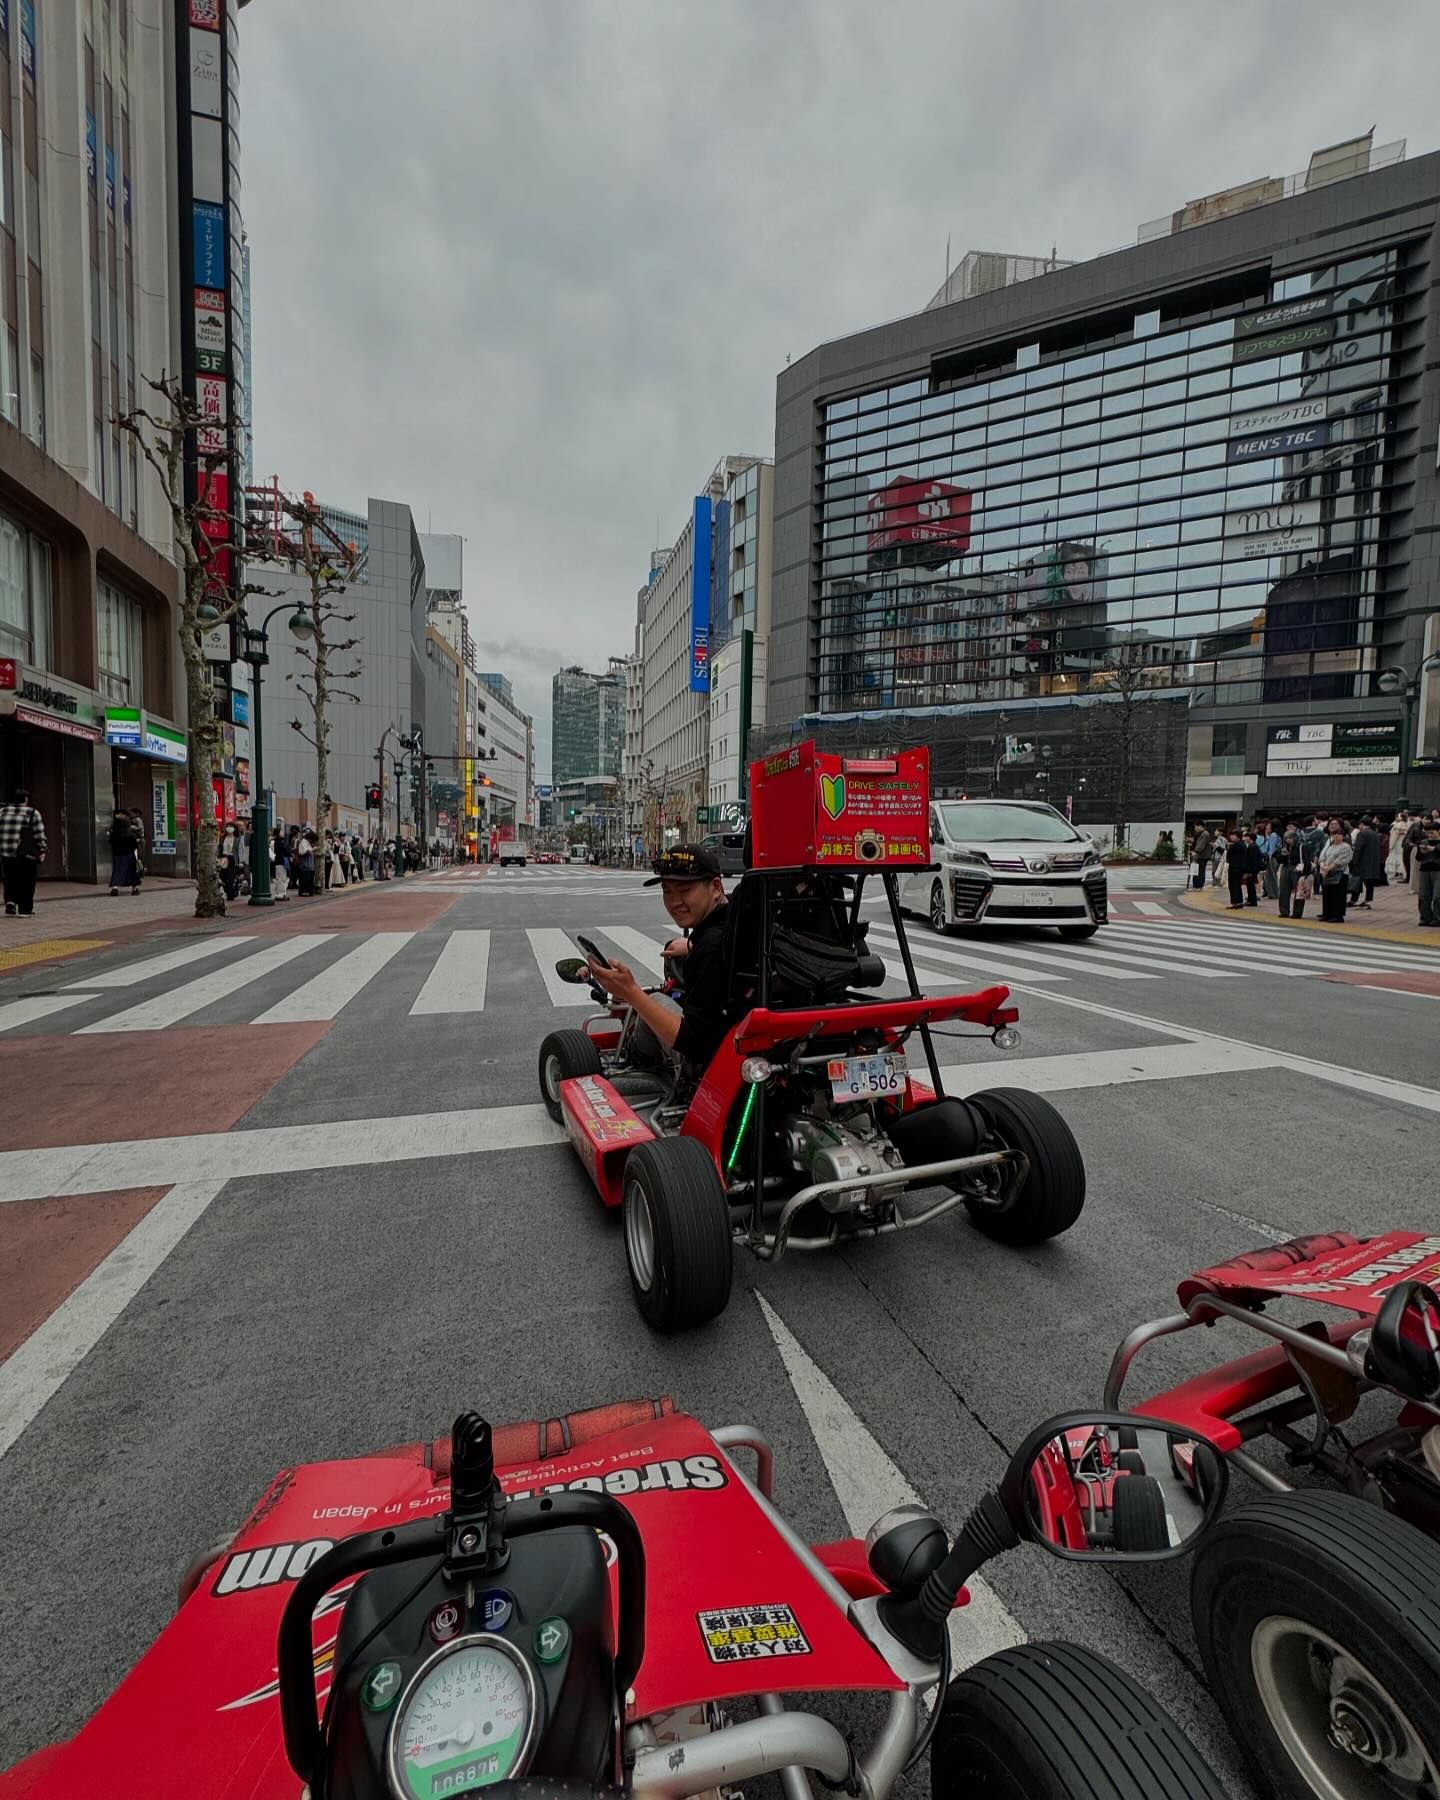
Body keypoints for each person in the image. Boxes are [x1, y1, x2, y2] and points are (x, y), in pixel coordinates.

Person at [584, 845, 732, 1086]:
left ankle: (635, 1055)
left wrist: (631, 994)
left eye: (685, 890)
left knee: (655, 999)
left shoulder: (710, 948)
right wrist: (690, 945)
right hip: (752, 1047)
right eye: (667, 891)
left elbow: (692, 1041)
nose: (674, 902)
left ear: (715, 887)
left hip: (710, 1068)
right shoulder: (737, 918)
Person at [0, 786, 47, 915]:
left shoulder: (2, 812)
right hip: (25, 853)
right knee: (27, 880)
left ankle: (10, 901)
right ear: (25, 799)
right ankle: (24, 909)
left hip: (6, 853)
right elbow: (39, 834)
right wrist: (42, 850)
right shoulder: (32, 813)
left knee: (10, 878)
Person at [1275, 823, 1312, 920]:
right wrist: (1283, 855)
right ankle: (1284, 911)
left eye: (1290, 838)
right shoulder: (1285, 847)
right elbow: (1279, 860)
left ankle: (1297, 912)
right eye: (1286, 838)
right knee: (1283, 890)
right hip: (1286, 867)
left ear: (1295, 838)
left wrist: (1305, 873)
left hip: (1297, 869)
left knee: (1299, 892)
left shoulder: (1301, 847)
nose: (1288, 840)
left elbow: (1306, 860)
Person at [1317, 825, 1354, 923]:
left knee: (1338, 895)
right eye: (1334, 834)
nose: (1336, 836)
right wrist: (1323, 866)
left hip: (1340, 873)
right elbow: (1322, 857)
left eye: (1339, 834)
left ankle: (1337, 915)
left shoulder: (1346, 847)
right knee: (1327, 895)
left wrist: (1328, 868)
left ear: (1343, 836)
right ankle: (1327, 914)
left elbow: (1341, 860)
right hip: (1327, 873)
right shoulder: (1331, 846)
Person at [1349, 815, 1383, 909]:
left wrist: (1354, 861)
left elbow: (1358, 849)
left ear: (1362, 824)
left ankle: (1353, 899)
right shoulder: (1375, 834)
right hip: (1373, 861)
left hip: (1363, 862)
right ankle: (1368, 899)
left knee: (1357, 881)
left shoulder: (1362, 834)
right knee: (1369, 883)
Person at [108, 807, 142, 896]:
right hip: (129, 853)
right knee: (131, 871)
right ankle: (134, 889)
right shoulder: (130, 832)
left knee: (117, 871)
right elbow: (134, 843)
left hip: (117, 854)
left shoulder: (114, 831)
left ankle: (115, 887)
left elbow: (111, 842)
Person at [1226, 831, 1261, 909]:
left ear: (1238, 836)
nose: (1231, 837)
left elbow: (1230, 857)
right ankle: (1238, 902)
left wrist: (1249, 871)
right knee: (1237, 885)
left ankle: (1236, 902)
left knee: (1234, 885)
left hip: (1235, 868)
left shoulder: (1238, 846)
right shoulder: (1243, 845)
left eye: (1233, 835)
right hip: (1239, 868)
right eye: (1231, 835)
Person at [1416, 814, 1440, 928]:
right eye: (1427, 832)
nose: (1429, 835)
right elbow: (1418, 858)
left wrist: (1434, 849)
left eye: (1432, 832)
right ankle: (1425, 917)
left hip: (1438, 870)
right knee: (1423, 895)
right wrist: (1421, 851)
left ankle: (1438, 918)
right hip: (1425, 870)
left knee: (1437, 896)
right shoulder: (1424, 842)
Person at [1255, 820, 1280, 899]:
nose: (1267, 826)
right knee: (1270, 876)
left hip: (1271, 858)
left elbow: (1271, 849)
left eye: (1269, 825)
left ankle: (1273, 893)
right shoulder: (1273, 835)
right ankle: (1270, 892)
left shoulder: (1273, 835)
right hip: (1273, 858)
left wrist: (1268, 858)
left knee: (1271, 876)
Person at [1386, 812, 1410, 885]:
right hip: (1403, 843)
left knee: (1395, 857)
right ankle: (1403, 873)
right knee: (1401, 858)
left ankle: (1395, 872)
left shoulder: (1397, 825)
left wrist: (1391, 845)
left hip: (1397, 843)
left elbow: (1394, 837)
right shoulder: (1407, 825)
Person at [1189, 823, 1213, 892]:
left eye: (1196, 827)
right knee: (1197, 871)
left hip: (1202, 856)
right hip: (1200, 855)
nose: (1195, 828)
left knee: (1200, 871)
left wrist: (1195, 851)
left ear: (1200, 826)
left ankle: (1198, 886)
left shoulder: (1204, 834)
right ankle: (1197, 886)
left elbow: (1201, 845)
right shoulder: (1201, 833)